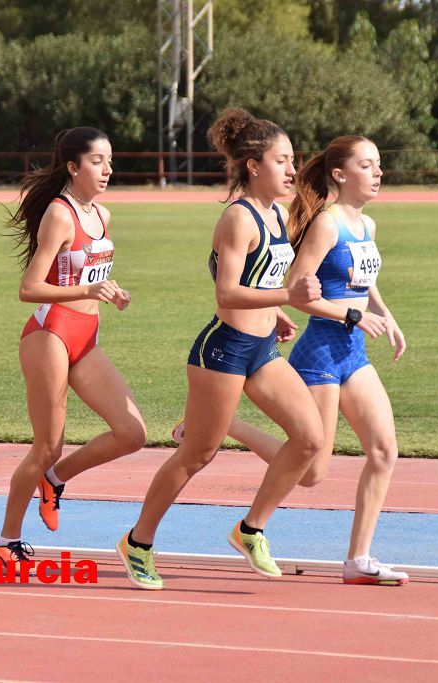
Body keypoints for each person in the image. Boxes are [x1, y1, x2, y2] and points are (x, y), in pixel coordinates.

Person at [180, 135, 409, 586]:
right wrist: (351, 314)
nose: (378, 172)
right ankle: (223, 426)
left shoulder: (369, 226)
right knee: (313, 472)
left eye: (379, 164)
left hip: (354, 353)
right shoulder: (325, 224)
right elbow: (300, 289)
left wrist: (385, 314)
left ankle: (358, 560)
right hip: (320, 353)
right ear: (340, 175)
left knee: (384, 451)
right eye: (368, 165)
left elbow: (365, 281)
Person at [116, 109, 324, 590]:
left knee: (310, 441)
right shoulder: (238, 216)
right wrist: (286, 298)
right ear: (254, 166)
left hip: (262, 349)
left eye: (293, 160)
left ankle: (251, 530)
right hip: (224, 351)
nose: (292, 170)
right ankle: (138, 542)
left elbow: (256, 278)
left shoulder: (276, 213)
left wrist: (277, 312)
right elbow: (227, 292)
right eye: (282, 160)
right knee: (196, 455)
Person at [0, 127, 146, 568]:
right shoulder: (60, 215)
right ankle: (8, 539)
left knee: (132, 433)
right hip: (50, 335)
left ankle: (54, 481)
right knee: (46, 445)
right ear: (74, 166)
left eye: (110, 161)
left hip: (86, 335)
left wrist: (109, 292)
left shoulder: (102, 214)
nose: (107, 169)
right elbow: (30, 287)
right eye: (97, 161)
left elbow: (89, 276)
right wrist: (85, 288)